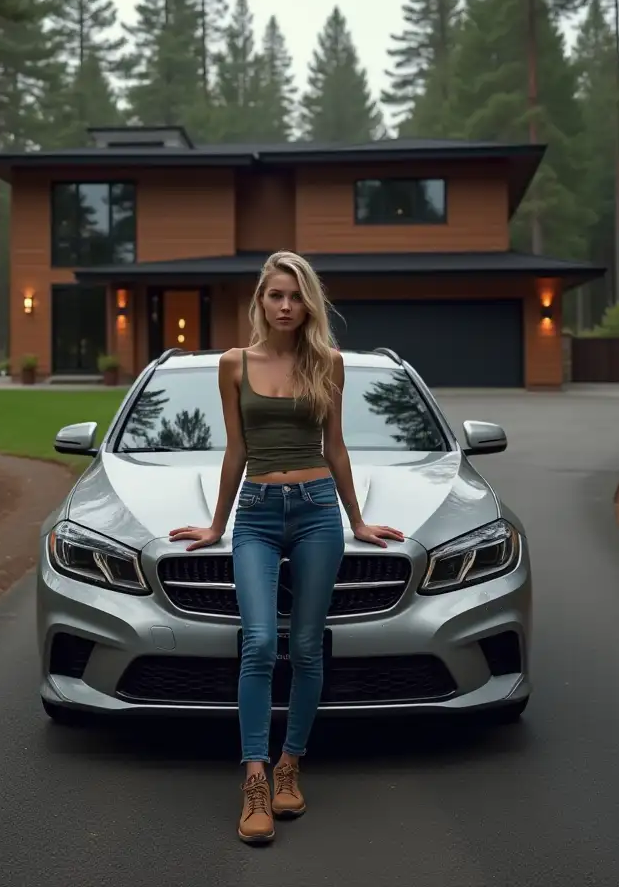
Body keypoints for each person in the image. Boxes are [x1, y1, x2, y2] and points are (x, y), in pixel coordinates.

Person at [169, 250, 404, 845]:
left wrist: (359, 520)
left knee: (304, 645)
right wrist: (216, 525)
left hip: (319, 511)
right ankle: (254, 777)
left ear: (308, 305)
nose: (285, 306)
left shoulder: (328, 363)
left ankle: (290, 763)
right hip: (256, 514)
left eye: (296, 297)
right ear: (260, 300)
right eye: (275, 295)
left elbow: (338, 447)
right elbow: (235, 451)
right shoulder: (232, 364)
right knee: (257, 642)